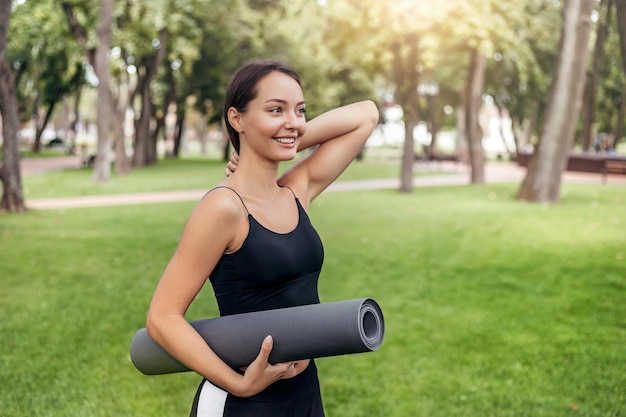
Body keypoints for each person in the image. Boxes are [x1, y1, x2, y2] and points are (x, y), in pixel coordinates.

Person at [145, 60, 378, 417]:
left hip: (303, 392)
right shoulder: (224, 208)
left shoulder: (296, 191)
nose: (294, 120)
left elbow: (366, 115)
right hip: (243, 402)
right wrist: (238, 384)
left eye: (300, 110)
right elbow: (163, 318)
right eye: (275, 109)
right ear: (236, 118)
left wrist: (286, 136)